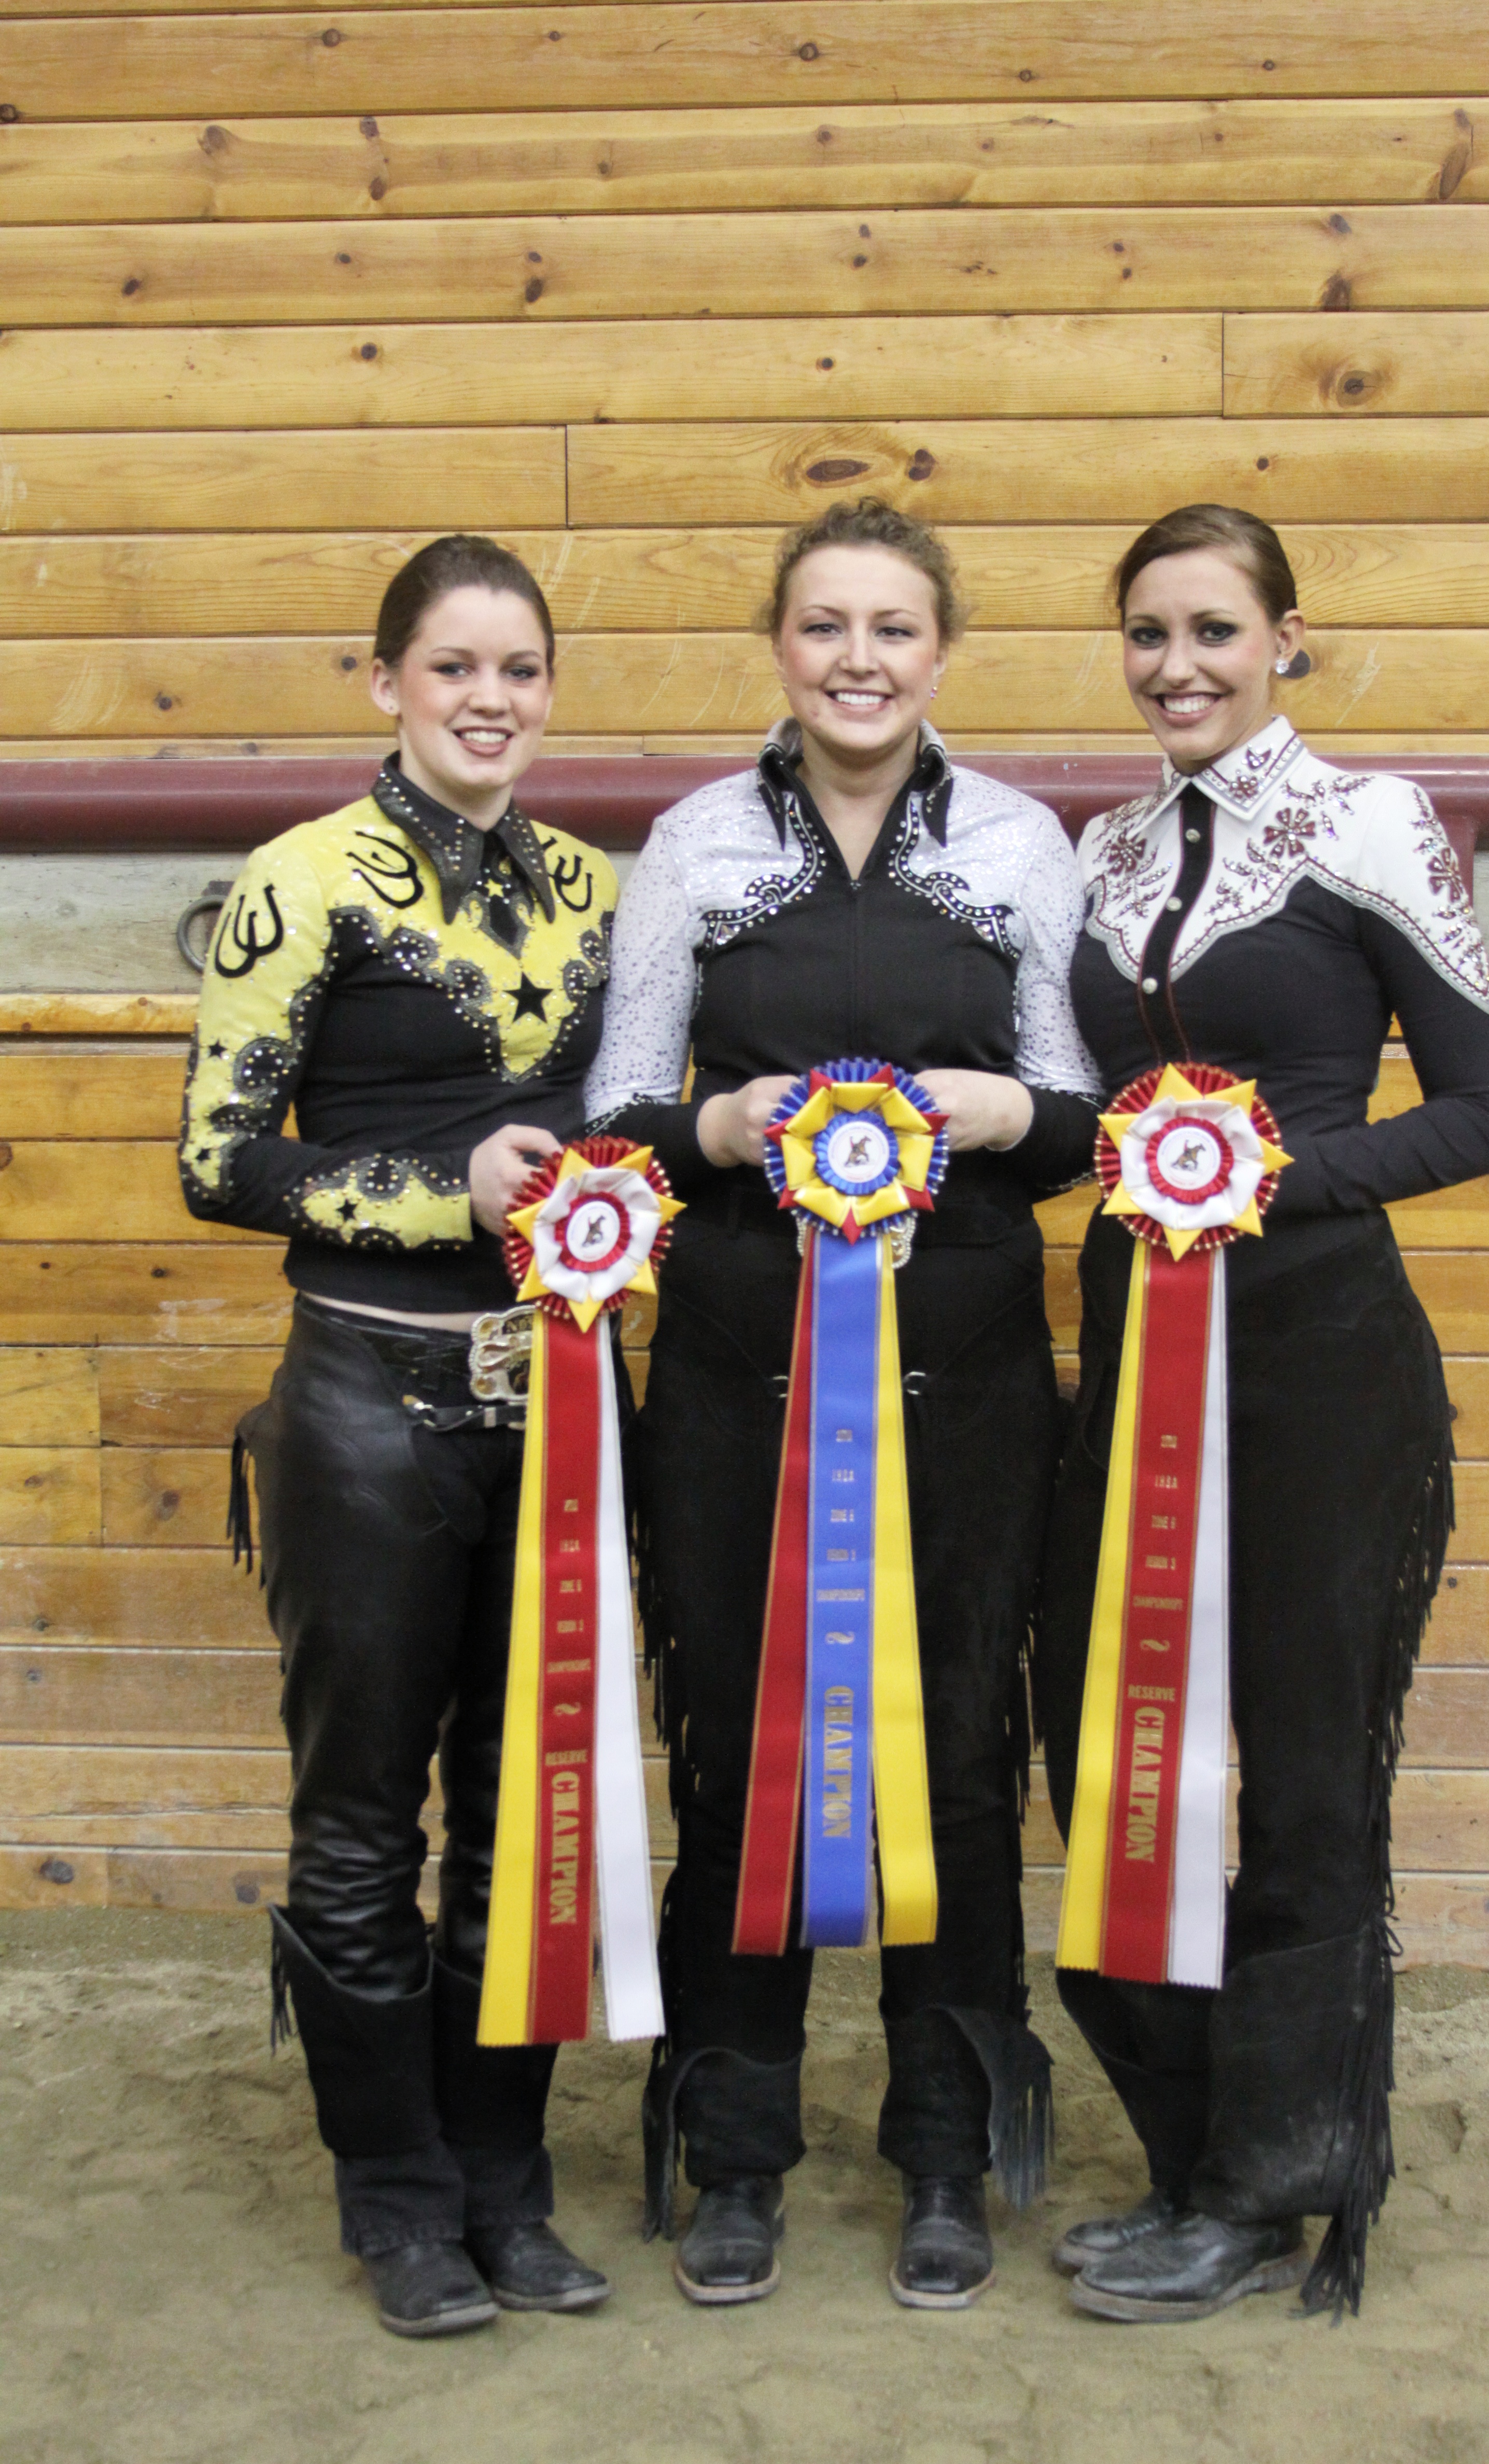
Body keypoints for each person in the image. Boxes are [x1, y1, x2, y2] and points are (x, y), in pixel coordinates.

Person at [585, 498, 1100, 2309]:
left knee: (953, 1748)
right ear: (780, 649)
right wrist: (713, 1132)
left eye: (893, 627)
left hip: (963, 1371)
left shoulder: (1030, 847)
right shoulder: (697, 842)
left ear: (940, 648)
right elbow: (623, 1101)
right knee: (740, 1748)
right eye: (825, 626)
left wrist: (1003, 1118)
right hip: (738, 1368)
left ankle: (948, 2155)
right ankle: (735, 2156)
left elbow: (1089, 1119)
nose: (859, 659)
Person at [1035, 503, 1489, 2322]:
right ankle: (1193, 2146)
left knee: (1307, 1775)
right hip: (1131, 1357)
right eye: (1148, 633)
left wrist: (1266, 1178)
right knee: (1112, 1750)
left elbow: (1480, 1111)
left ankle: (1271, 2187)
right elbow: (1088, 1122)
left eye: (1215, 632)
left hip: (1319, 1359)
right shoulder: (1101, 851)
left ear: (1286, 641)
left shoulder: (1372, 823)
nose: (1179, 666)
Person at [178, 536, 620, 2337]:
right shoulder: (297, 885)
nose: (490, 700)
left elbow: (643, 1112)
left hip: (564, 1402)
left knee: (530, 1816)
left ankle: (505, 2184)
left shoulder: (606, 888)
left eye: (519, 669)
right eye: (454, 668)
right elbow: (224, 1161)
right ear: (386, 685)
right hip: (365, 1403)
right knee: (363, 1818)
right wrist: (453, 1191)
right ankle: (401, 2199)